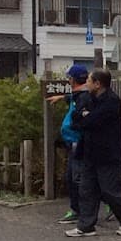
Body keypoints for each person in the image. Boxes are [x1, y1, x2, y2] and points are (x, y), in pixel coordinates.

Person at [65, 68, 121, 238]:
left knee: (109, 190)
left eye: (89, 80)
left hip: (107, 154)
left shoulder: (112, 101)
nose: (87, 83)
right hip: (89, 151)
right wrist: (83, 116)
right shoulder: (88, 98)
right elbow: (76, 118)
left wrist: (85, 116)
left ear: (98, 83)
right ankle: (86, 226)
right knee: (86, 190)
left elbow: (91, 121)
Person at [48, 63, 89, 224]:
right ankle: (80, 209)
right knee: (75, 177)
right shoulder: (78, 95)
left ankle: (80, 211)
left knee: (77, 178)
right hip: (73, 142)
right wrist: (61, 97)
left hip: (77, 142)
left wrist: (73, 126)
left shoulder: (84, 97)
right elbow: (72, 97)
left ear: (74, 79)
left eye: (70, 78)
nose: (68, 80)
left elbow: (83, 118)